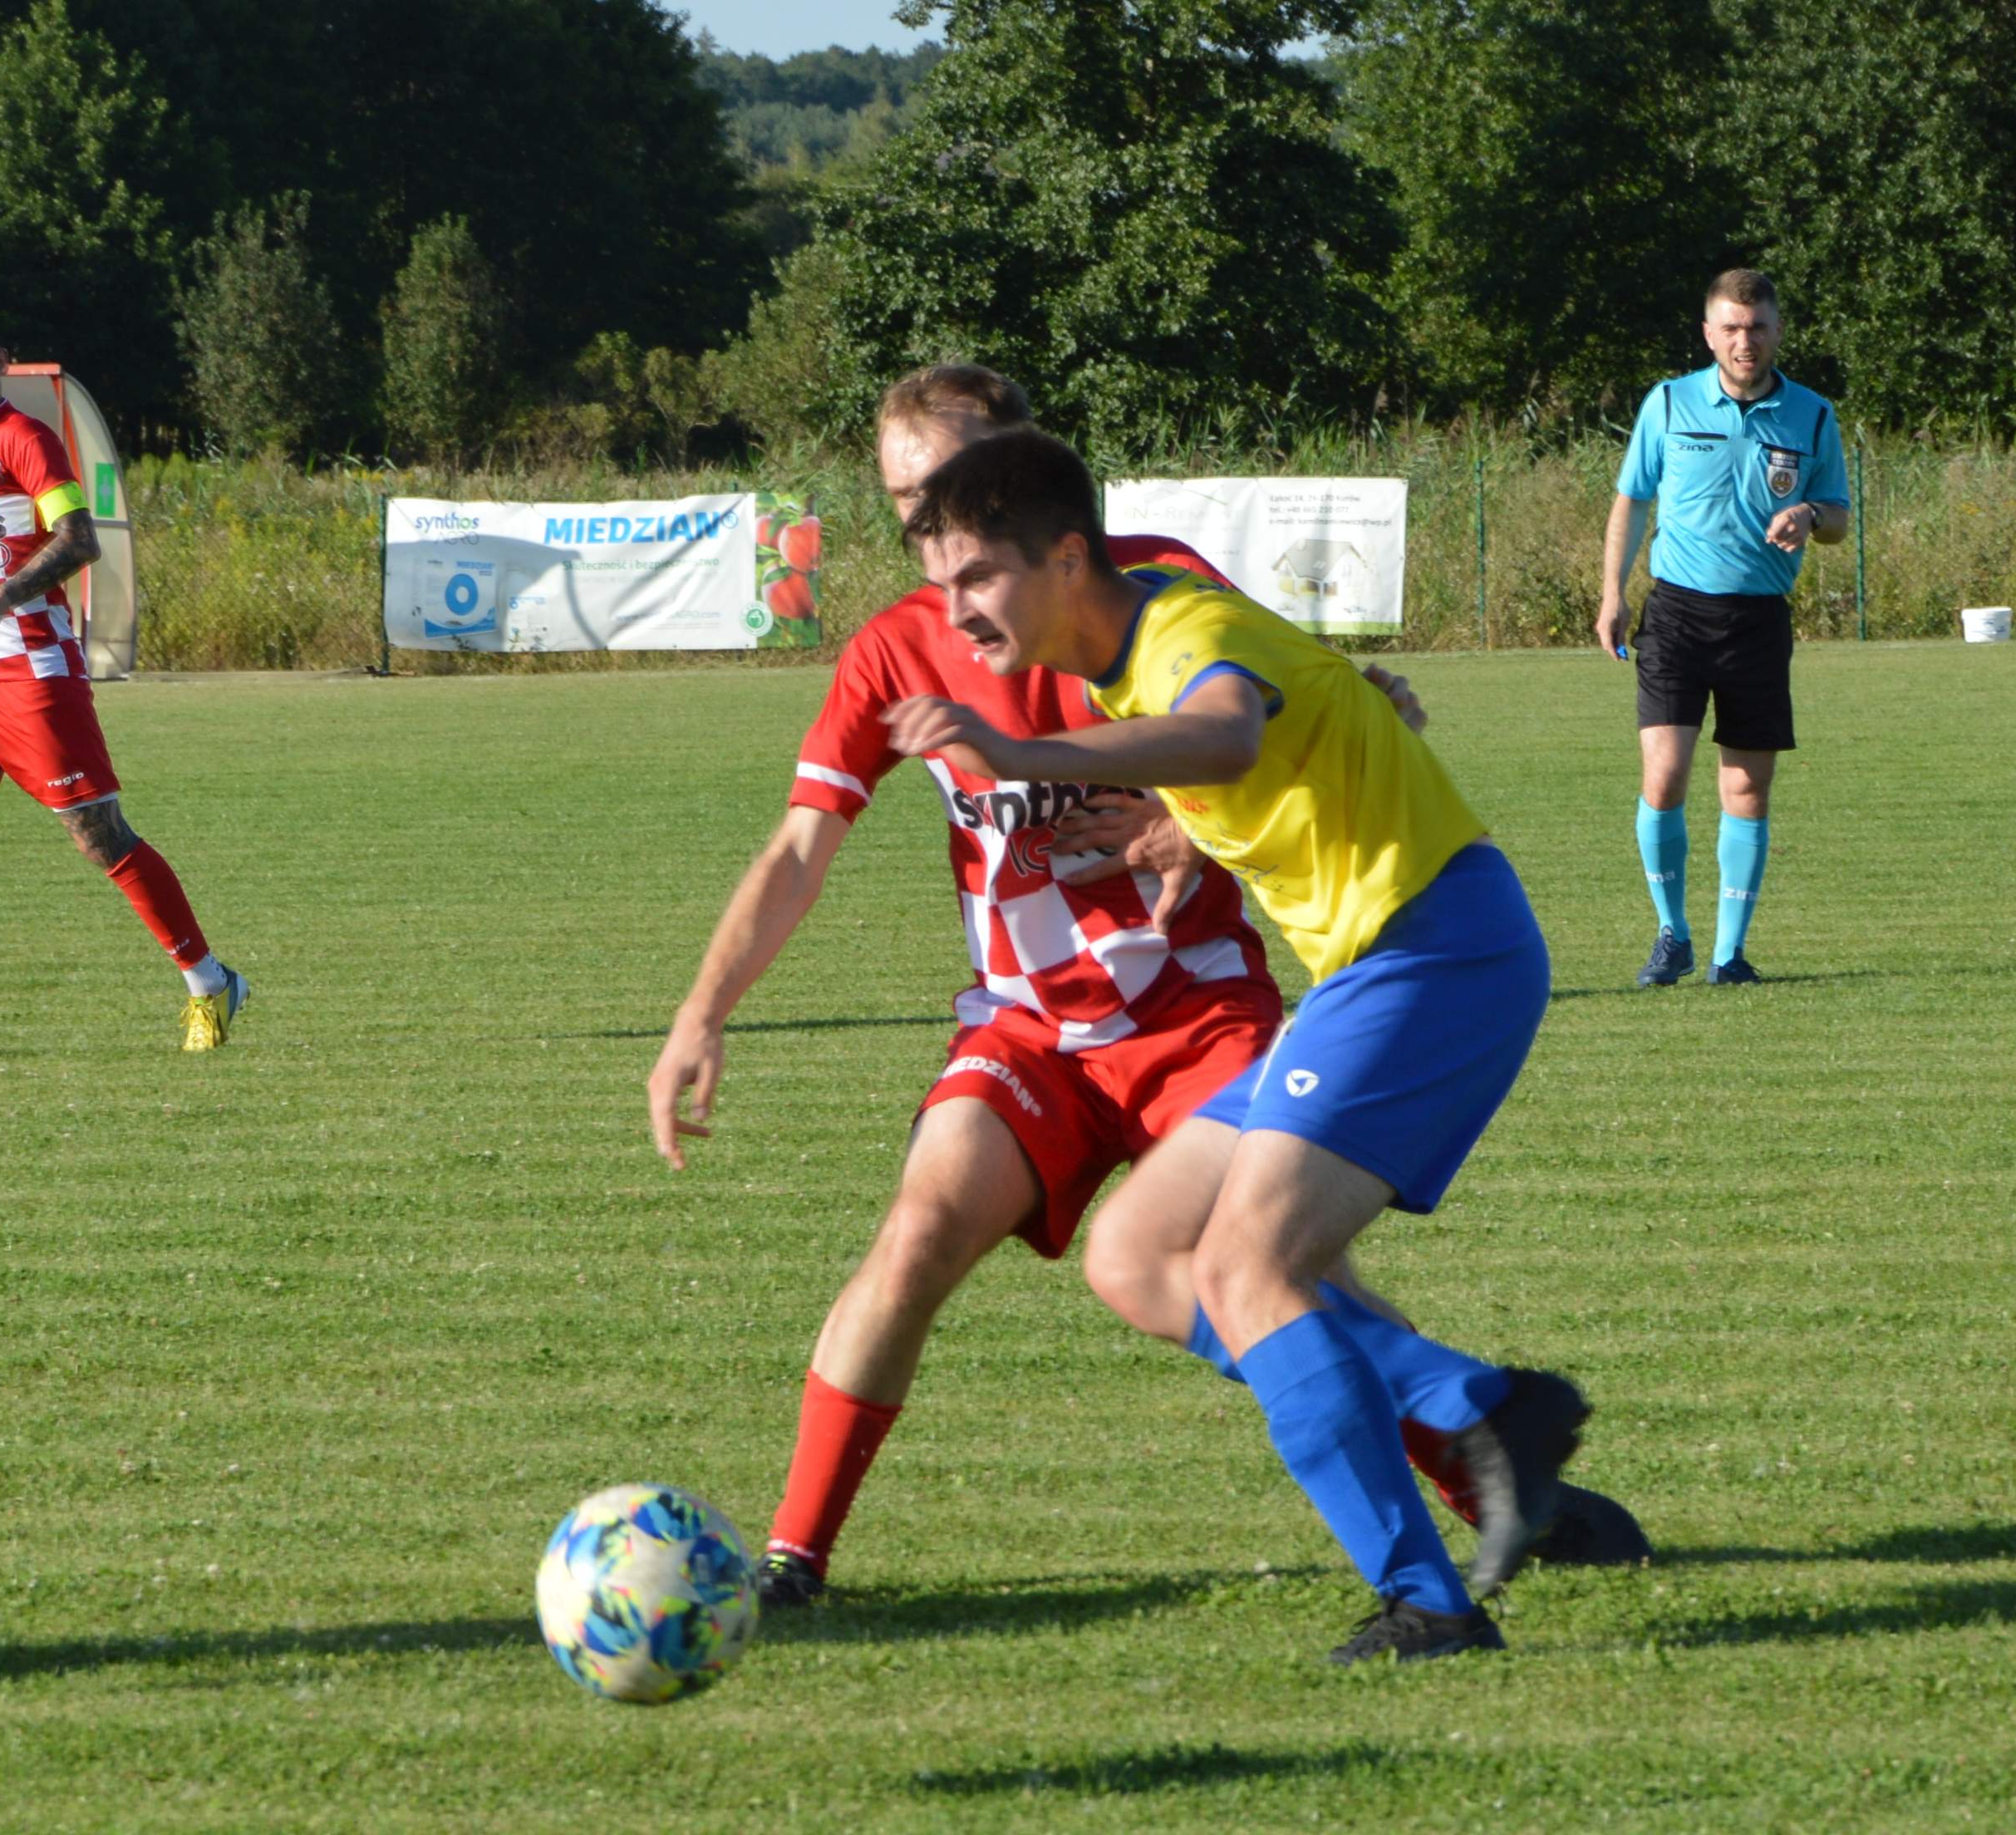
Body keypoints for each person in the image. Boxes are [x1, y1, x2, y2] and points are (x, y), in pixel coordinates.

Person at [651, 367, 1642, 1612]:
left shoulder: (1138, 592)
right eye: (912, 511)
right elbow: (803, 844)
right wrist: (702, 1012)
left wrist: (1147, 795)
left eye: (960, 508)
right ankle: (795, 1560)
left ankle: (1469, 1491)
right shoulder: (924, 637)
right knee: (1013, 1241)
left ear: (1042, 505)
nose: (937, 547)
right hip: (1034, 1023)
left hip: (1221, 1000)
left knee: (1262, 1263)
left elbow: (1251, 708)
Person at [883, 426, 1576, 1663]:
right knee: (1138, 1254)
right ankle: (1476, 1408)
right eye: (943, 584)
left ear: (1064, 557)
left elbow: (1225, 733)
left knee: (1245, 1268)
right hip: (1380, 968)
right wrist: (1178, 829)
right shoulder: (1133, 650)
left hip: (1433, 952)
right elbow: (1279, 737)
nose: (958, 608)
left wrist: (1023, 754)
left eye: (978, 575)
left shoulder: (1182, 637)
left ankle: (1428, 1600)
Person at [0, 303, 245, 1055]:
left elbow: (78, 541)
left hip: (33, 675)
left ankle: (211, 982)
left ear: (1, 360)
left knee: (100, 838)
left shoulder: (26, 439)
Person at [1596, 268, 1849, 988]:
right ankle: (1670, 933)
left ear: (1776, 330)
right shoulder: (1670, 402)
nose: (1745, 341)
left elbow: (1836, 515)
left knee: (1746, 791)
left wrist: (1809, 516)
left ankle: (1727, 955)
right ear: (1708, 333)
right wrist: (1611, 593)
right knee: (1666, 774)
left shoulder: (1811, 414)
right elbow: (1631, 500)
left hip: (1758, 621)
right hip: (1675, 613)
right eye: (1731, 328)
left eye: (1757, 326)